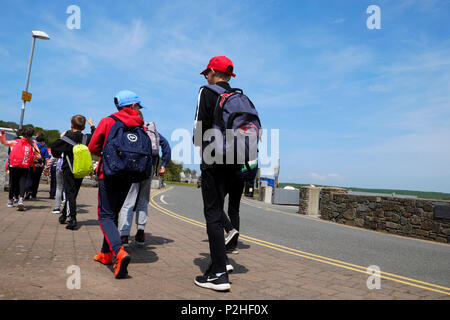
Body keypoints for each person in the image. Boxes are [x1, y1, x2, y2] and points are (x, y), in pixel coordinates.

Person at [192, 55, 243, 291]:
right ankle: (220, 263)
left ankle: (219, 275)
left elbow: (198, 127)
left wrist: (198, 146)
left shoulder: (207, 91)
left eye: (206, 73)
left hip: (213, 160)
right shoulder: (237, 96)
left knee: (212, 215)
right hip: (235, 162)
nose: (206, 77)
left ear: (212, 72)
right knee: (219, 210)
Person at [88, 90, 151, 279]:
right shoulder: (141, 126)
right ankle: (105, 254)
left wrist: (107, 157)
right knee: (113, 213)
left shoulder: (108, 121)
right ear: (132, 106)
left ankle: (118, 252)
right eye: (138, 105)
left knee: (105, 216)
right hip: (129, 175)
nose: (139, 109)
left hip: (108, 173)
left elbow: (93, 147)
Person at [118, 111, 171, 247]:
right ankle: (140, 233)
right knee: (143, 200)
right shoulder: (150, 129)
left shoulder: (128, 129)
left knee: (128, 201)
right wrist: (164, 164)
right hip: (148, 169)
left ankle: (124, 235)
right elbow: (166, 146)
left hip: (132, 169)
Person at [51, 115, 93, 230]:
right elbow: (95, 136)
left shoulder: (66, 138)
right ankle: (64, 215)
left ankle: (73, 218)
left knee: (69, 192)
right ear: (84, 126)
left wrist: (58, 155)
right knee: (73, 193)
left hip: (68, 168)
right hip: (81, 169)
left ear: (71, 124)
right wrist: (92, 125)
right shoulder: (86, 138)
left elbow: (54, 147)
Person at [1, 127, 38, 211]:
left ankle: (10, 200)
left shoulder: (15, 141)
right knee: (22, 182)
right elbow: (38, 155)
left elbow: (4, 143)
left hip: (14, 165)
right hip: (24, 165)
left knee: (12, 182)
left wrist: (2, 134)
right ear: (31, 135)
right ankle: (21, 199)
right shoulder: (32, 143)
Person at [25, 134, 50, 199]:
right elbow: (47, 158)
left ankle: (28, 191)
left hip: (30, 165)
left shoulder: (31, 146)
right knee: (36, 180)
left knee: (29, 178)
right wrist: (47, 167)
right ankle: (34, 194)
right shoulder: (44, 148)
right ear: (42, 142)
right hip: (39, 166)